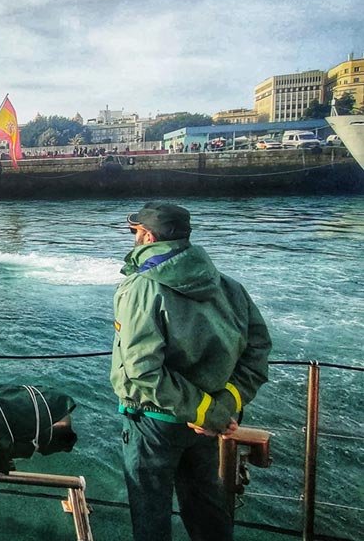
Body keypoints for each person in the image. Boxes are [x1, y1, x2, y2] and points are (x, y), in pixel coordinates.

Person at [111, 201, 271, 541]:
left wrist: (204, 412)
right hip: (205, 426)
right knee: (206, 510)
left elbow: (142, 369)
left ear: (148, 236)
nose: (133, 236)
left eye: (134, 230)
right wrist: (220, 407)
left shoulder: (142, 287)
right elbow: (258, 350)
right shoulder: (228, 286)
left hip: (152, 421)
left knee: (151, 517)